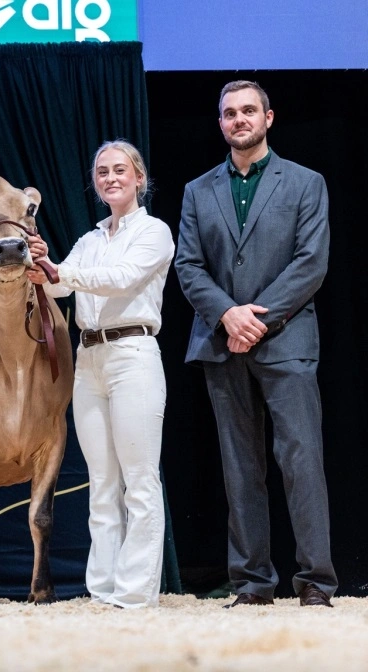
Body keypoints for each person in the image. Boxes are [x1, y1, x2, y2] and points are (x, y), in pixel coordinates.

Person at [174, 81, 335, 608]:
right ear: (220, 123)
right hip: (223, 343)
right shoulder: (199, 190)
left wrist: (257, 319)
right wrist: (227, 313)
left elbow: (311, 262)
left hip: (285, 339)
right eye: (229, 113)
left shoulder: (306, 182)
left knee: (301, 459)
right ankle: (252, 582)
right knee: (240, 466)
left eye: (248, 110)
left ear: (269, 117)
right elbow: (189, 266)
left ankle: (315, 580)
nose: (239, 119)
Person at [26, 140, 174, 609]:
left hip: (133, 353)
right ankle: (105, 587)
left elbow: (121, 277)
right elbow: (60, 279)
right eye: (102, 172)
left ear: (139, 178)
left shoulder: (154, 232)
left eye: (120, 171)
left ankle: (135, 593)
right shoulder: (89, 241)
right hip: (89, 360)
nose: (111, 178)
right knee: (102, 480)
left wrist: (59, 272)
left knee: (139, 479)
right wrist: (44, 264)